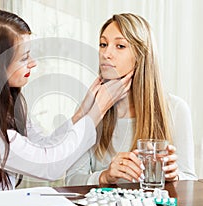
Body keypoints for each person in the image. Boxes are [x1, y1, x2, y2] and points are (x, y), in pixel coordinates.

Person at [0, 9, 132, 195]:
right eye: (23, 57)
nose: (33, 63)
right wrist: (96, 112)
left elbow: (42, 145)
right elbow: (47, 164)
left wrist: (82, 112)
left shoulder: (7, 98)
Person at [66, 13, 197, 186]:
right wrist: (104, 176)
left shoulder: (176, 109)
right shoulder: (89, 109)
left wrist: (175, 176)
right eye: (103, 44)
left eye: (120, 46)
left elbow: (190, 178)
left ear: (141, 57)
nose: (106, 53)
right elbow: (71, 180)